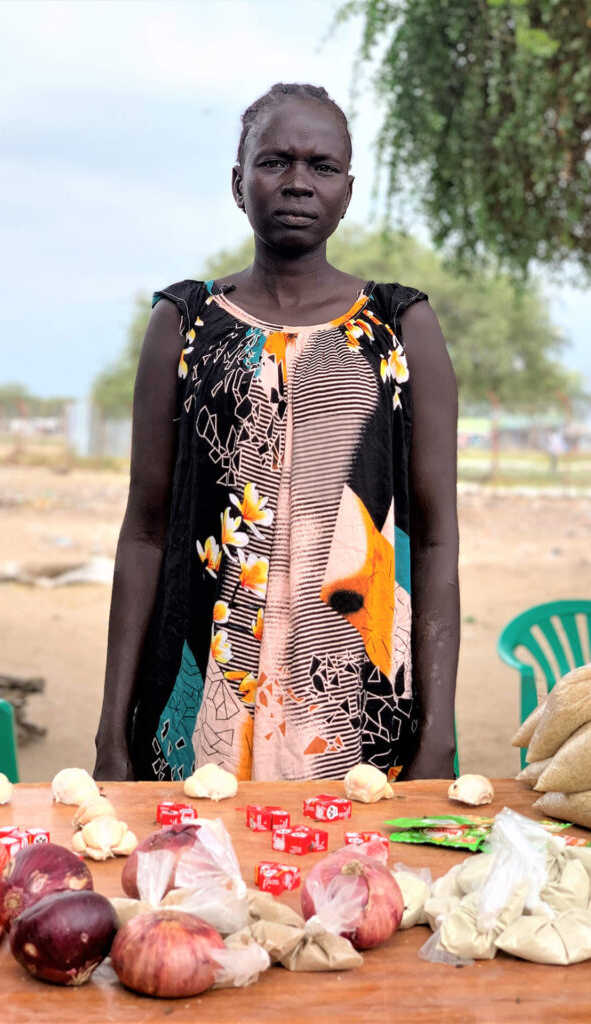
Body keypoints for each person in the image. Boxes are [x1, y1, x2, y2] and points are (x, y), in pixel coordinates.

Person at [94, 83, 460, 783]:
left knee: (353, 886)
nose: (298, 183)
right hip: (203, 698)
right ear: (238, 182)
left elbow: (438, 537)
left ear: (348, 191)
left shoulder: (401, 325)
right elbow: (144, 532)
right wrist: (113, 731)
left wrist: (436, 733)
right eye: (274, 162)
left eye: (323, 167)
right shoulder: (185, 321)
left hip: (358, 703)